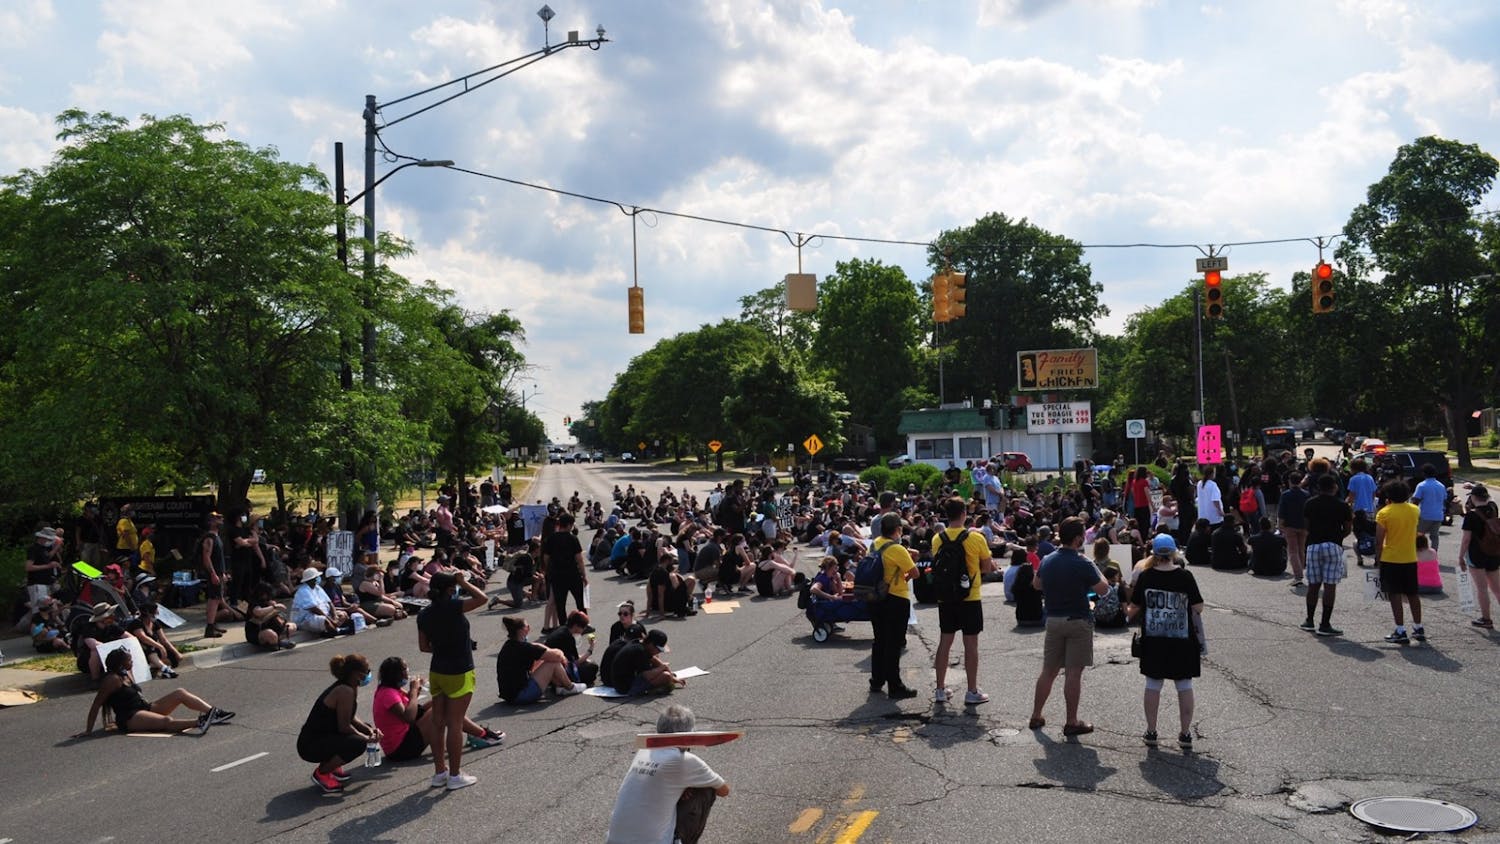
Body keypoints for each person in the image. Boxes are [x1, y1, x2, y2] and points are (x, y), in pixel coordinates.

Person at [1027, 516, 1109, 737]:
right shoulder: (1082, 562)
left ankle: (1036, 714)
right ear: (1077, 539)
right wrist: (1094, 568)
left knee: (1049, 670)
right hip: (1077, 619)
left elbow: (1036, 584)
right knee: (1073, 673)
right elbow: (1103, 589)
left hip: (1053, 619)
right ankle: (1071, 721)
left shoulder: (1047, 560)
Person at [605, 704, 730, 844]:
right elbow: (723, 790)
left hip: (613, 840)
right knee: (706, 789)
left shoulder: (644, 751)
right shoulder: (684, 760)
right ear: (689, 734)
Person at [1126, 535, 1205, 750]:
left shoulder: (1146, 576)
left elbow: (1134, 607)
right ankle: (1185, 734)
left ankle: (1151, 731)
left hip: (1154, 640)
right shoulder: (1185, 576)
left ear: (1154, 554)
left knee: (1153, 685)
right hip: (1182, 639)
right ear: (1173, 553)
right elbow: (1198, 607)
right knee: (1184, 685)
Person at [416, 570, 489, 790]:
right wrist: (462, 581)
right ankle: (455, 776)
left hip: (437, 669)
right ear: (450, 589)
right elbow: (482, 599)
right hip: (459, 670)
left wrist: (443, 648)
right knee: (455, 723)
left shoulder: (425, 614)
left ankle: (440, 772)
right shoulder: (454, 606)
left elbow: (423, 646)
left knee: (438, 723)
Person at [372, 657, 503, 770]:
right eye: (405, 669)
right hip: (401, 749)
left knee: (442, 702)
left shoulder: (391, 689)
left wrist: (420, 692)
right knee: (444, 710)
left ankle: (479, 733)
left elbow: (414, 709)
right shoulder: (388, 694)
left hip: (405, 737)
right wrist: (413, 691)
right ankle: (483, 735)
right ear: (397, 674)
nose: (407, 672)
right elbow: (409, 717)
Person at [76, 649, 231, 738]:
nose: (132, 662)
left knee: (179, 693)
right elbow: (96, 704)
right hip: (130, 717)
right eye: (129, 660)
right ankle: (200, 722)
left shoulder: (125, 673)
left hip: (145, 708)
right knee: (166, 721)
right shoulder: (111, 680)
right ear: (120, 663)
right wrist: (88, 730)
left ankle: (214, 713)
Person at [930, 497, 995, 705]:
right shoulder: (976, 538)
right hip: (970, 596)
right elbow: (986, 568)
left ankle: (940, 689)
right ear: (964, 514)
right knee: (971, 644)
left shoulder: (937, 539)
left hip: (946, 597)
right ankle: (972, 690)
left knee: (945, 642)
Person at [298, 654, 380, 794]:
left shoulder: (351, 686)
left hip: (326, 736)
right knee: (358, 743)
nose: (369, 674)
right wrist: (366, 738)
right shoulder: (344, 691)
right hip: (310, 745)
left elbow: (351, 717)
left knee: (363, 731)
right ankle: (322, 773)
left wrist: (370, 730)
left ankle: (333, 767)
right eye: (367, 671)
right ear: (356, 674)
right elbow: (344, 726)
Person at [867, 513, 919, 700]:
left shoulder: (875, 544)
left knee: (879, 640)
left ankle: (877, 680)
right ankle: (895, 685)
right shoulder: (897, 549)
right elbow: (914, 572)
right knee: (894, 643)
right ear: (897, 529)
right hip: (895, 598)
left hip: (875, 597)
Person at [1301, 473, 1353, 636]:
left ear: (1318, 488)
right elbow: (1348, 529)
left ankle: (1309, 620)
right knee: (1330, 585)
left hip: (1314, 545)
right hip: (1333, 545)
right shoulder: (1342, 506)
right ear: (1334, 487)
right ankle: (1325, 623)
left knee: (1313, 584)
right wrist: (1338, 537)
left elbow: (1306, 526)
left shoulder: (1310, 503)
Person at [1374, 479, 1425, 644]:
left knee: (1394, 594)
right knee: (1412, 593)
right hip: (1410, 557)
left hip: (1391, 557)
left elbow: (1379, 540)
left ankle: (1400, 629)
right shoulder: (1414, 510)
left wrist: (1377, 559)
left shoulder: (1384, 513)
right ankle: (1418, 627)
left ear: (1388, 495)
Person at [1458, 484, 1500, 628]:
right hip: (1494, 552)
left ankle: (1486, 619)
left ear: (1473, 497)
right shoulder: (1493, 508)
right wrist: (1477, 487)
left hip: (1476, 554)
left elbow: (1466, 540)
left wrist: (1460, 557)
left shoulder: (1471, 515)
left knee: (1482, 588)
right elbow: (1490, 498)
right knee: (1497, 588)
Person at [542, 512, 589, 624]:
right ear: (568, 525)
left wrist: (550, 569)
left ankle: (563, 626)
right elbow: (579, 559)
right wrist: (584, 575)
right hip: (573, 573)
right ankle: (584, 624)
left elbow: (546, 557)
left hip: (557, 574)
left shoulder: (551, 538)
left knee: (560, 603)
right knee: (580, 601)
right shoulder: (573, 538)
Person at [610, 628, 682, 695]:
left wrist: (673, 677)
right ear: (651, 644)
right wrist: (663, 669)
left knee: (663, 670)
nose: (659, 652)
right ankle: (650, 691)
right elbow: (646, 675)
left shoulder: (639, 643)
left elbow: (653, 659)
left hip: (623, 681)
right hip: (626, 687)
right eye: (658, 649)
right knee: (666, 676)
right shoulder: (639, 651)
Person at [542, 611, 600, 687]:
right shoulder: (568, 638)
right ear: (576, 626)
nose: (584, 629)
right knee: (593, 667)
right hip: (558, 669)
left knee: (588, 662)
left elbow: (572, 655)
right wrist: (591, 648)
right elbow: (576, 662)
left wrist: (585, 659)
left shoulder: (562, 629)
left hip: (549, 666)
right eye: (583, 627)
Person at [291, 568, 350, 635]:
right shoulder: (303, 591)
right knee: (324, 620)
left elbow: (329, 603)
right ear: (311, 579)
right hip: (307, 618)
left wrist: (334, 616)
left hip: (324, 614)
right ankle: (336, 631)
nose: (318, 578)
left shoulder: (318, 588)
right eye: (316, 577)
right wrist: (331, 620)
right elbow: (315, 609)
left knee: (342, 614)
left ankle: (330, 630)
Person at [1278, 471, 1310, 586]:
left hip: (1290, 525)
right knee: (1301, 549)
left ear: (1289, 481)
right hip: (1303, 524)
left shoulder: (1286, 495)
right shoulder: (1306, 494)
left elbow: (1281, 512)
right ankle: (1302, 571)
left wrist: (1280, 524)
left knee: (1292, 551)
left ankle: (1298, 575)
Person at [246, 584, 298, 650]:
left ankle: (277, 641)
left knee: (292, 626)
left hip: (273, 628)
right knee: (271, 634)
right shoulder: (254, 603)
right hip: (257, 632)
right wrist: (273, 607)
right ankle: (279, 643)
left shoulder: (269, 602)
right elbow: (258, 612)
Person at [1411, 464, 1448, 551]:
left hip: (1425, 514)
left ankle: (1419, 552)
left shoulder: (1422, 485)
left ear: (1424, 474)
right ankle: (1434, 553)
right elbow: (1445, 499)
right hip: (1438, 515)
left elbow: (1416, 500)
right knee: (1434, 536)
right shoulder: (1441, 486)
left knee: (1419, 534)